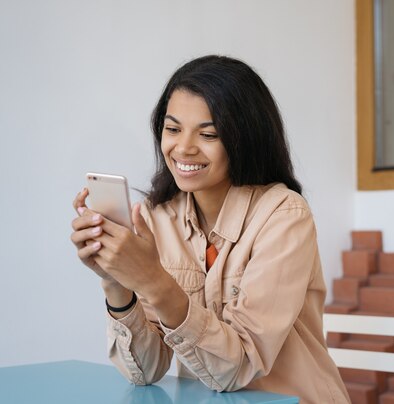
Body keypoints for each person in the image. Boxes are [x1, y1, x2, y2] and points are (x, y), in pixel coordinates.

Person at [70, 55, 350, 404]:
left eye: (208, 134)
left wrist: (153, 279)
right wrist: (116, 279)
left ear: (244, 138)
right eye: (172, 129)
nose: (184, 148)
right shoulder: (158, 219)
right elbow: (145, 371)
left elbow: (239, 366)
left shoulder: (284, 215)